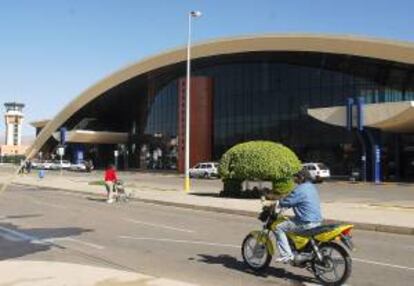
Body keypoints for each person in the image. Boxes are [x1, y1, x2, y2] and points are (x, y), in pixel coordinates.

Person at [275, 169, 323, 263]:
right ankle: (297, 249)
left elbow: (288, 201)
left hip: (306, 223)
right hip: (317, 221)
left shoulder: (300, 189)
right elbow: (299, 201)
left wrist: (279, 202)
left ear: (302, 178)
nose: (294, 178)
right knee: (290, 221)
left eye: (296, 176)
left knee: (279, 228)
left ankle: (287, 255)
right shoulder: (311, 187)